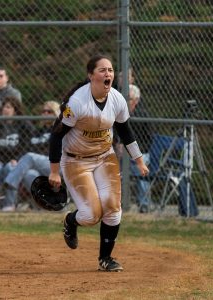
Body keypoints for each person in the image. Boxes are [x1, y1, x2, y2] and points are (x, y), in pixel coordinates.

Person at [48, 54, 149, 272]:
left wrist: (139, 160)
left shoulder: (117, 99)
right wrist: (54, 172)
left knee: (113, 208)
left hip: (105, 157)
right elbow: (56, 135)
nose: (108, 74)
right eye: (102, 70)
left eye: (110, 70)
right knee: (91, 215)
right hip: (76, 161)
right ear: (91, 76)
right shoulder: (76, 102)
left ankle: (106, 259)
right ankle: (71, 221)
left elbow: (125, 131)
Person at [0, 101, 61, 209]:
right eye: (43, 111)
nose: (45, 114)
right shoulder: (37, 131)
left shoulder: (59, 129)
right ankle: (43, 205)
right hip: (35, 165)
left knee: (30, 156)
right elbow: (27, 147)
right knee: (30, 174)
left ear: (56, 113)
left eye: (49, 111)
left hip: (54, 164)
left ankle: (6, 185)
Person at [0, 96, 36, 211]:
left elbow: (27, 146)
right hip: (1, 159)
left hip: (17, 160)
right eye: (3, 107)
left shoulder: (24, 125)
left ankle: (9, 204)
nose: (5, 110)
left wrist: (17, 158)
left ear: (15, 110)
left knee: (10, 168)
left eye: (8, 107)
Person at [128, 84, 154, 213]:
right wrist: (118, 144)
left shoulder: (143, 115)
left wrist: (135, 151)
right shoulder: (119, 113)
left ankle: (144, 204)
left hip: (141, 152)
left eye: (129, 99)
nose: (126, 102)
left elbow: (149, 139)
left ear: (136, 101)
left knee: (142, 166)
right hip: (123, 153)